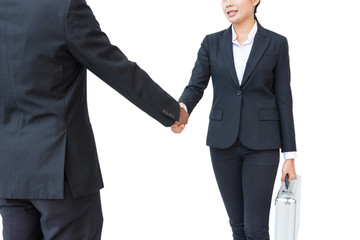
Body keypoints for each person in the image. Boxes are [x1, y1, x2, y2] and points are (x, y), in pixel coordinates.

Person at [0, 0, 188, 239]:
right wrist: (170, 110)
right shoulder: (64, 8)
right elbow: (114, 67)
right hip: (61, 171)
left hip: (10, 173)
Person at [171, 0, 297, 239]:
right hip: (222, 144)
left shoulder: (276, 43)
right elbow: (196, 86)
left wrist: (289, 156)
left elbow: (284, 100)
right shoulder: (211, 43)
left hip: (262, 144)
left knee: (255, 228)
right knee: (237, 226)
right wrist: (182, 109)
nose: (228, 3)